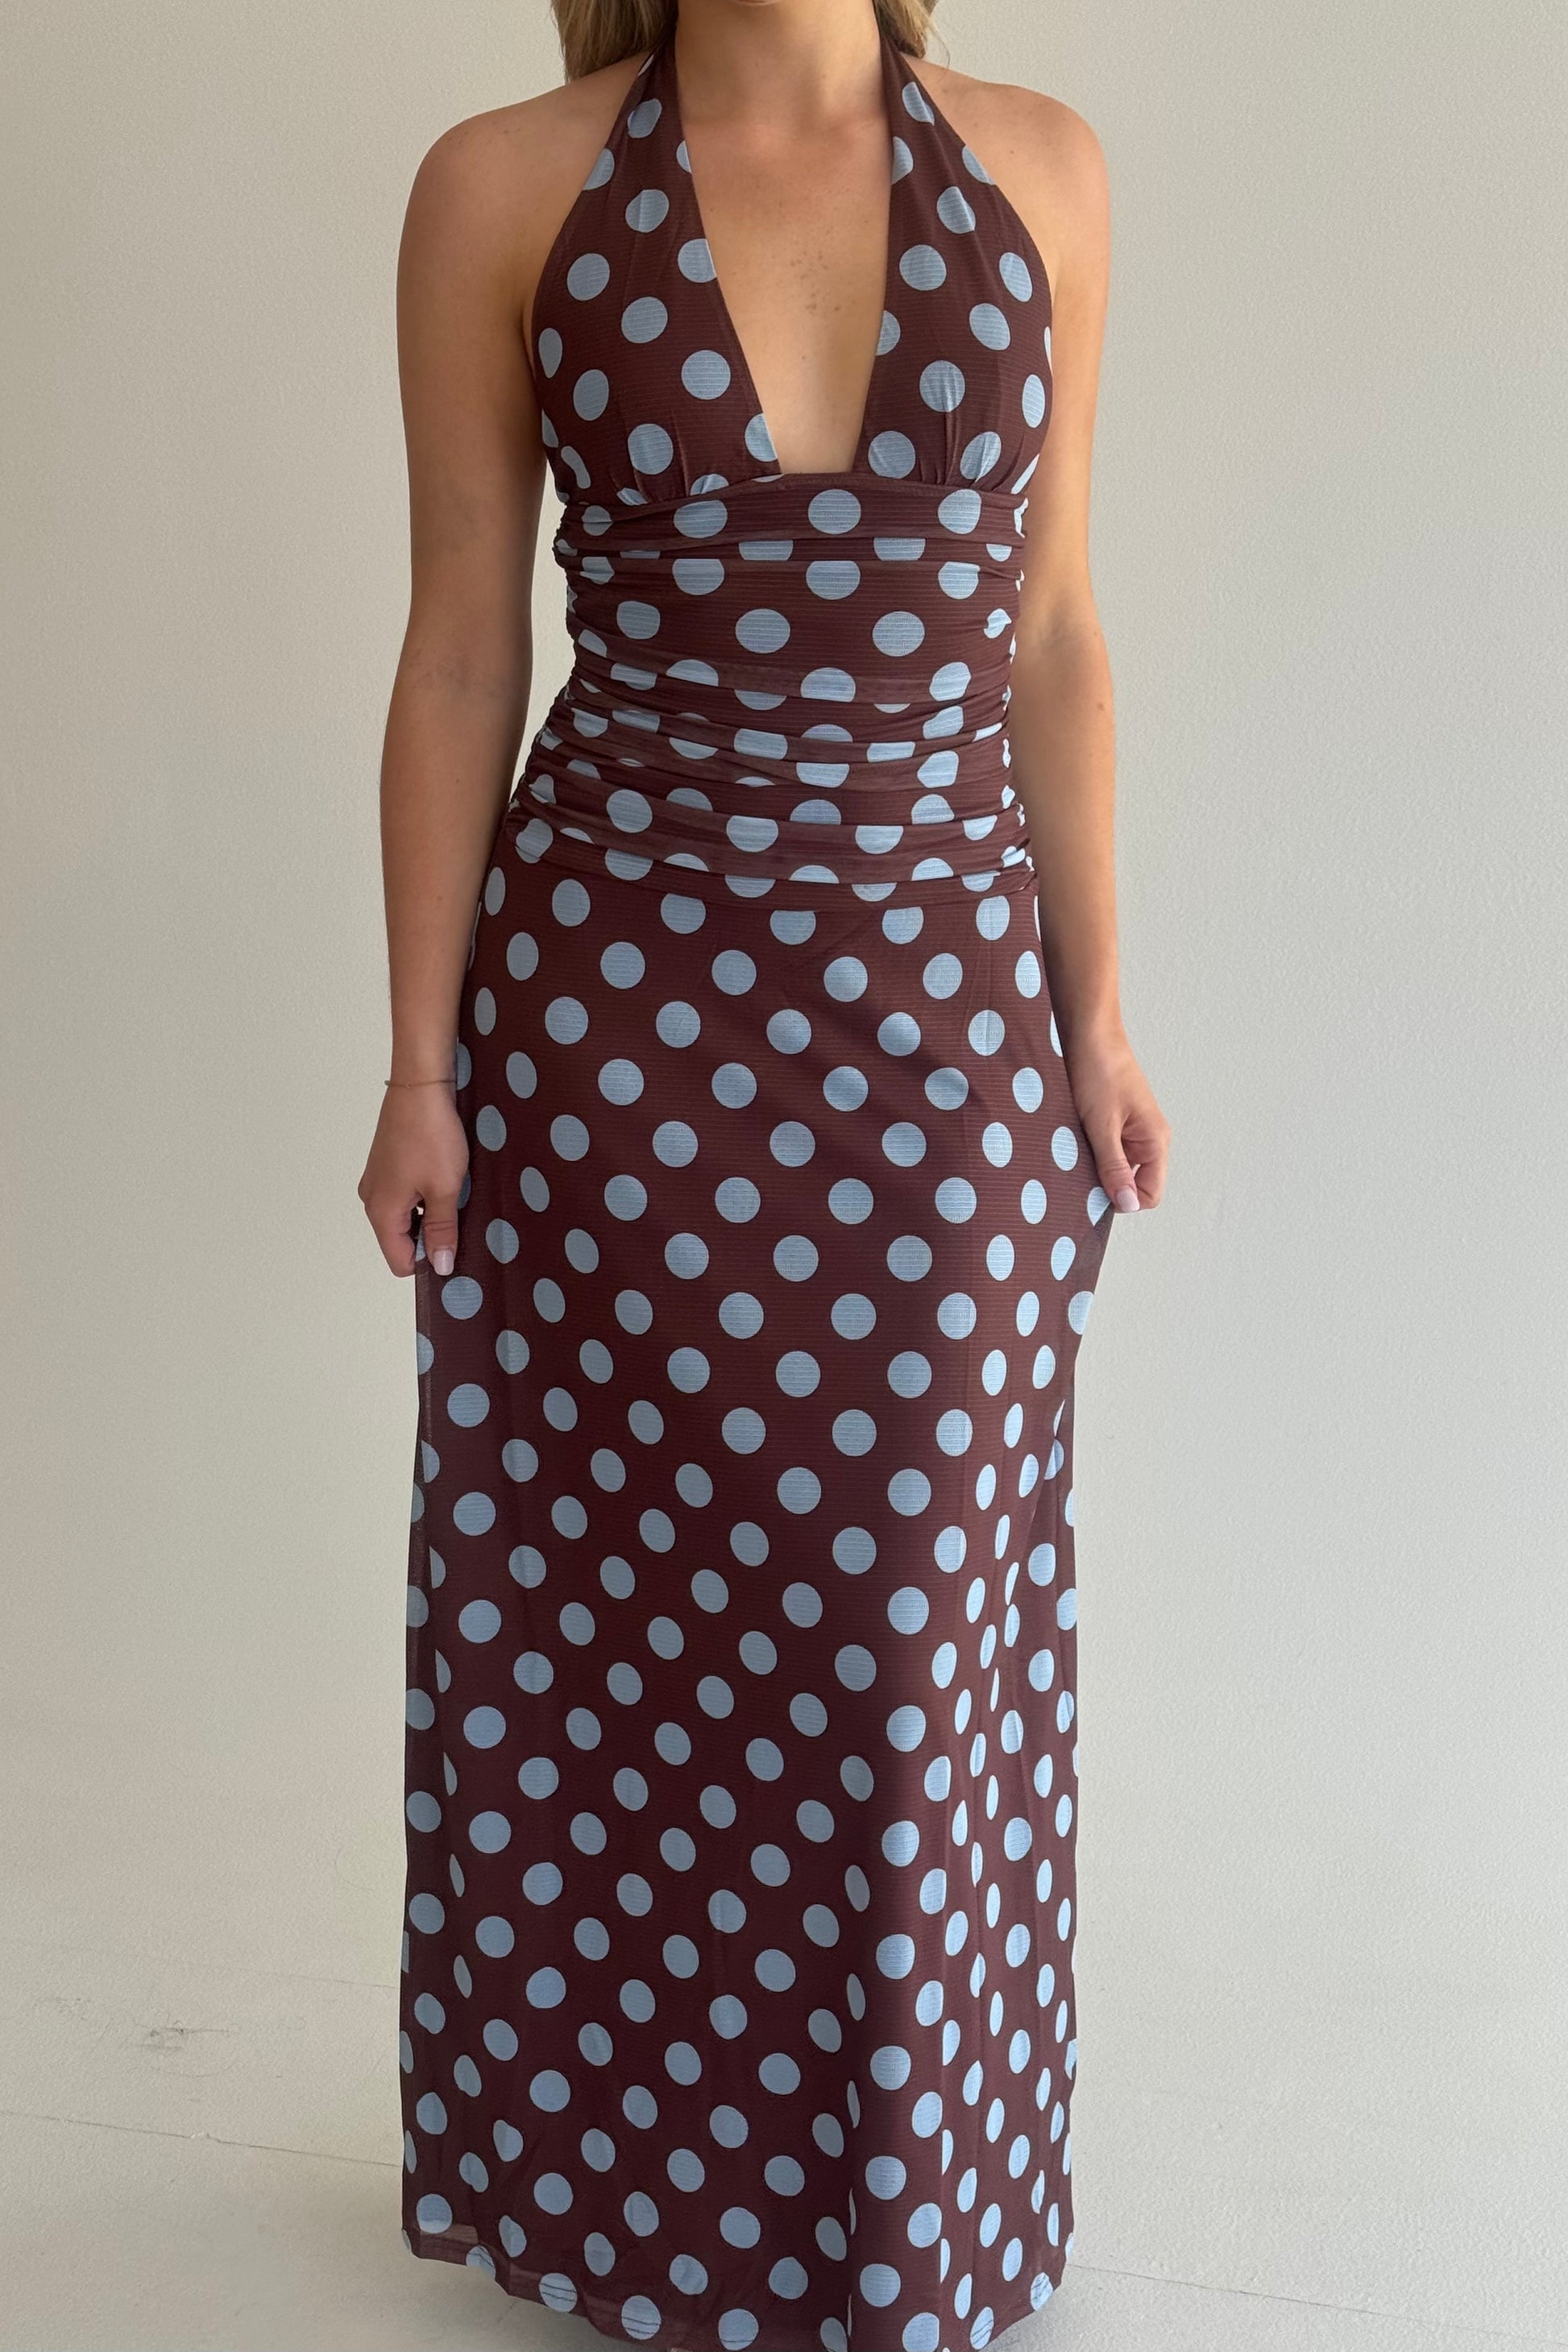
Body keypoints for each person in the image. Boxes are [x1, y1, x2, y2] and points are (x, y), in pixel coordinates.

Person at [358, 1, 1169, 2342]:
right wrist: (422, 1064)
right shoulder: (501, 187)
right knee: (605, 1643)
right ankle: (626, 2213)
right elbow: (454, 655)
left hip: (945, 1048)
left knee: (913, 1654)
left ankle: (901, 2223)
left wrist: (1094, 1011)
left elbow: (1053, 639)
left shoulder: (1042, 172)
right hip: (608, 1040)